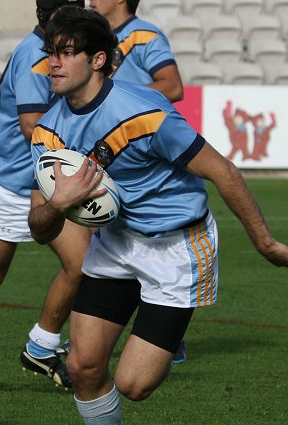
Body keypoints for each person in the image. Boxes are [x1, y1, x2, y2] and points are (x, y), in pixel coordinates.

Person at [28, 6, 288, 424]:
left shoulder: (145, 113)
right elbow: (39, 229)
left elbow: (223, 171)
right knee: (82, 368)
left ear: (98, 60)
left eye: (66, 52)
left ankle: (167, 332)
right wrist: (58, 204)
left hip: (177, 247)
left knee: (134, 385)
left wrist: (266, 243)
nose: (52, 63)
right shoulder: (48, 134)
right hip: (114, 243)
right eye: (50, 52)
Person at [0, 0, 86, 389]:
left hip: (47, 183)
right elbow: (32, 127)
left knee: (82, 265)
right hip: (13, 183)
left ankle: (42, 346)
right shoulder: (35, 56)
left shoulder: (52, 52)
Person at [85, 0, 187, 365]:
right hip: (107, 156)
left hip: (138, 155)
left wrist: (120, 101)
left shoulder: (144, 36)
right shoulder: (95, 36)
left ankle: (160, 331)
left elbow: (172, 85)